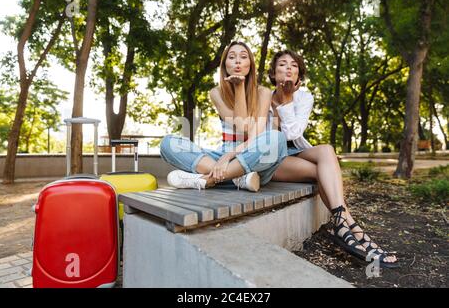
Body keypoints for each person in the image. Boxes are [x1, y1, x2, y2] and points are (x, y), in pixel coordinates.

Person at [268, 49, 398, 268]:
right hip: (273, 158)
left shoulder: (304, 96)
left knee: (327, 150)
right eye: (282, 64)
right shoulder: (263, 97)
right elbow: (278, 138)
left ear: (299, 77)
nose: (289, 67)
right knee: (324, 172)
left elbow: (295, 134)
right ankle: (355, 230)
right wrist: (283, 101)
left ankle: (341, 223)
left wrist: (288, 100)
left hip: (295, 152)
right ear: (273, 73)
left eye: (294, 65)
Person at [160, 41, 287, 192]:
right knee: (168, 143)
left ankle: (205, 180)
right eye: (232, 57)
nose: (238, 61)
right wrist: (223, 158)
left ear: (250, 65)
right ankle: (239, 178)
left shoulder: (263, 93)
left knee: (276, 139)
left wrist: (227, 157)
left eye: (243, 57)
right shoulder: (216, 93)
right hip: (222, 157)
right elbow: (241, 126)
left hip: (253, 157)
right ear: (225, 65)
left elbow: (249, 133)